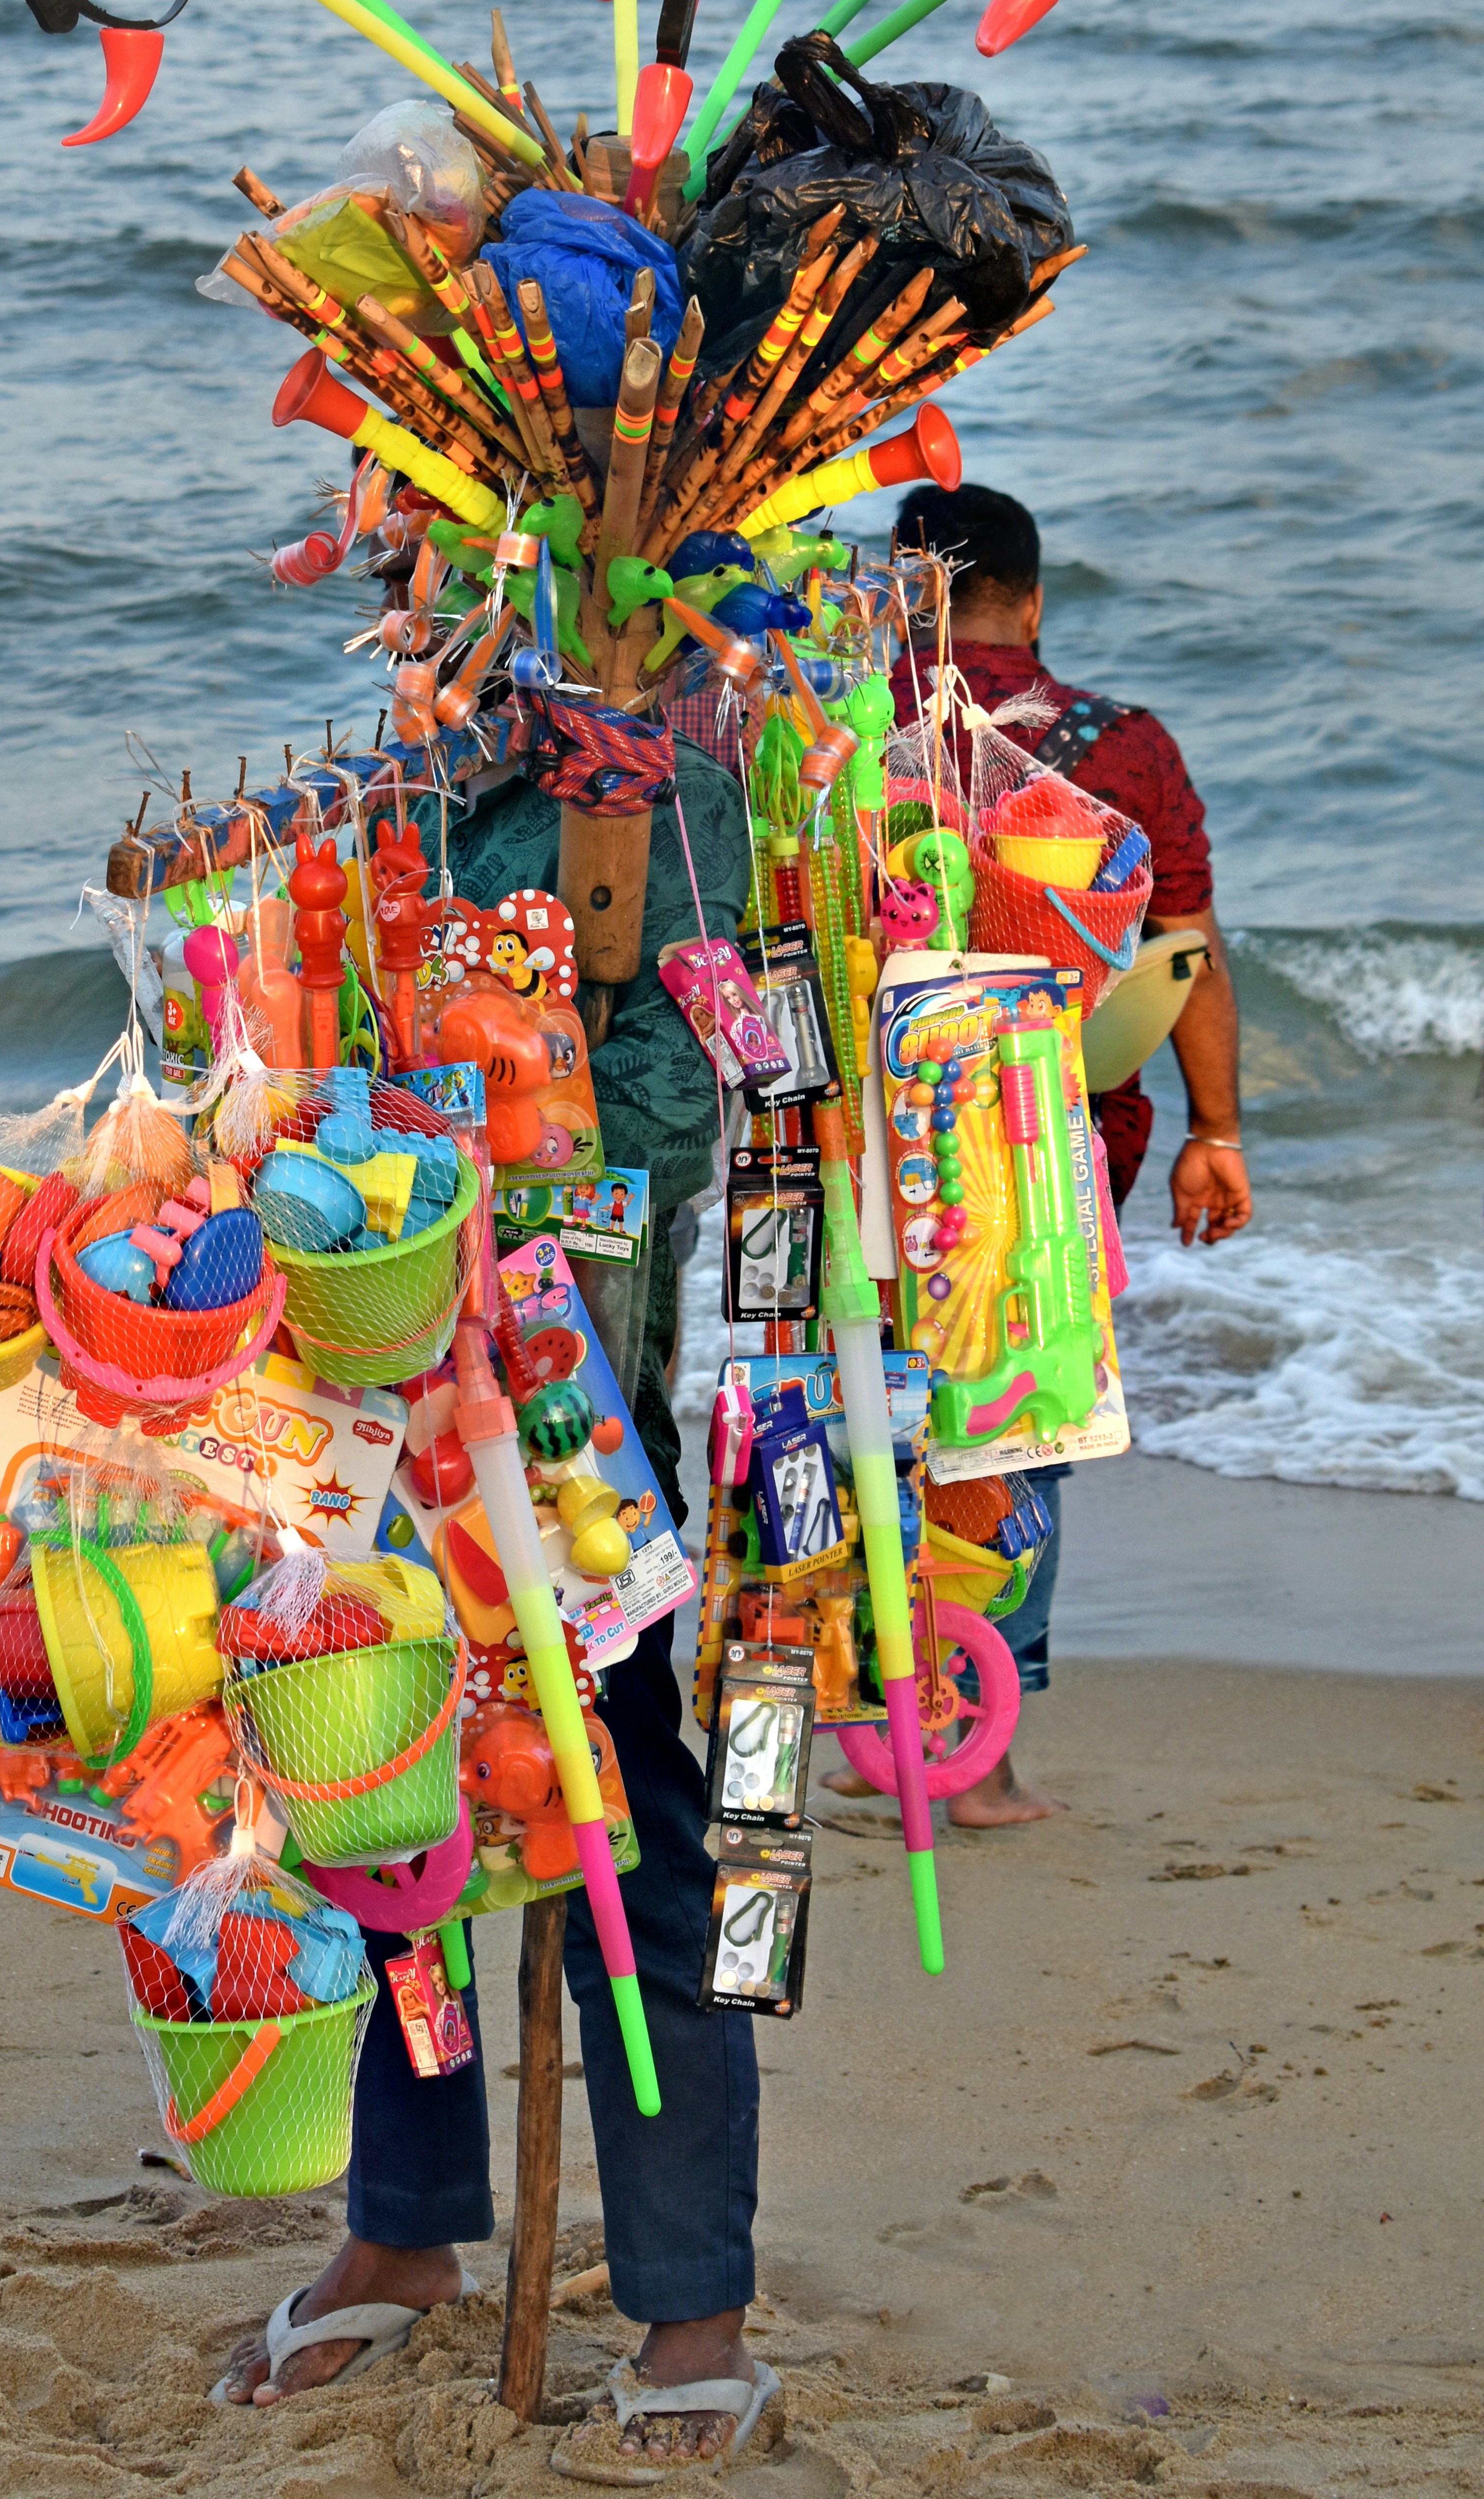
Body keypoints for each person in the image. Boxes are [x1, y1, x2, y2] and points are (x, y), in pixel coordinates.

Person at [213, 735, 777, 2479]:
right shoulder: (397, 793)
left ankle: (691, 2299)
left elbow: (693, 1131)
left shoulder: (696, 793)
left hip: (575, 1418)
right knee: (377, 1801)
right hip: (371, 1391)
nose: (428, 608)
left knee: (630, 1836)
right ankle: (407, 2217)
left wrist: (537, 1098)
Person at [881, 479, 1253, 1825]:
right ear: (1032, 604)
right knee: (1016, 1419)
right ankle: (980, 1749)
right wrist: (1215, 1133)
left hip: (866, 1146)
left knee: (871, 1411)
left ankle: (862, 1699)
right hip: (1049, 1151)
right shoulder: (1124, 747)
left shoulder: (851, 743)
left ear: (898, 596)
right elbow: (1184, 953)